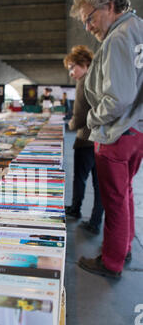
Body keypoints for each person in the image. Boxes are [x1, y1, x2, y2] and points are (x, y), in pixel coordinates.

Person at [70, 0, 143, 279]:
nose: (88, 27)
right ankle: (124, 247)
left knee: (114, 199)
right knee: (124, 194)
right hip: (136, 129)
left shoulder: (116, 38)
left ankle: (111, 261)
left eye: (91, 18)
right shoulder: (137, 27)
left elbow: (118, 97)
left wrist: (91, 120)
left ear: (110, 6)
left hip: (116, 132)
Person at [63, 45, 104, 234]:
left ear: (84, 63)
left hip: (85, 139)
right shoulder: (97, 79)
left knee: (79, 178)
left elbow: (79, 116)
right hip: (100, 140)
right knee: (99, 183)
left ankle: (75, 209)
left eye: (73, 67)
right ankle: (95, 221)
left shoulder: (83, 82)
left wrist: (68, 125)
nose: (72, 72)